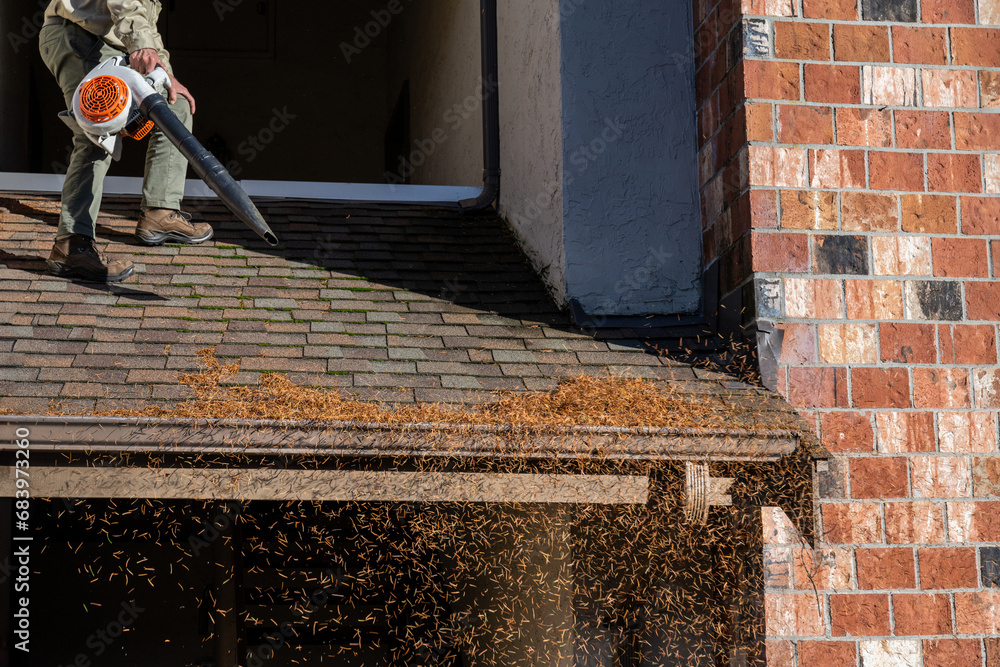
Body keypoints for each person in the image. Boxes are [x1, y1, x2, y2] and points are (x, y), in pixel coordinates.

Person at [39, 0, 213, 283]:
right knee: (96, 129)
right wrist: (140, 44)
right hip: (80, 34)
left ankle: (160, 211)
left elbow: (145, 22)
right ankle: (72, 245)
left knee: (174, 106)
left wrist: (165, 73)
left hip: (116, 41)